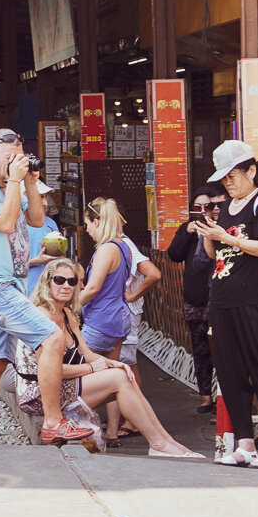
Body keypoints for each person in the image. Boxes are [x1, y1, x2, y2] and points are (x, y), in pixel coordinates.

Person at [0, 130, 93, 446]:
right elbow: (6, 223)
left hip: (10, 285)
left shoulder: (15, 184)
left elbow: (36, 219)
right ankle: (53, 422)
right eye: (9, 158)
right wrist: (14, 182)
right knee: (52, 338)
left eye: (18, 157)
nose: (14, 164)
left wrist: (31, 181)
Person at [19, 258, 200, 459]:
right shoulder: (42, 317)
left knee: (123, 373)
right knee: (117, 379)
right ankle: (158, 442)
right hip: (39, 395)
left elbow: (86, 353)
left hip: (64, 385)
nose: (66, 286)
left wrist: (114, 363)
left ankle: (166, 440)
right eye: (59, 280)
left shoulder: (67, 313)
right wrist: (94, 368)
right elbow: (51, 373)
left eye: (72, 281)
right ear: (47, 282)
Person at [198, 141, 258, 469]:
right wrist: (209, 233)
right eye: (224, 179)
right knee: (230, 371)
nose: (228, 183)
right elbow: (213, 256)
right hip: (222, 299)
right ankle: (244, 442)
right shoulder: (228, 206)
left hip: (254, 298)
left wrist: (227, 237)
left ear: (251, 170)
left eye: (233, 175)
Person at [76, 197, 159, 441]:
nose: (88, 231)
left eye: (88, 225)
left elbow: (92, 289)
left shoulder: (106, 249)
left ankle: (85, 430)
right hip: (120, 319)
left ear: (97, 221)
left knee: (79, 375)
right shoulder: (123, 246)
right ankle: (111, 432)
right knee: (112, 378)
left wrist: (70, 307)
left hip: (101, 320)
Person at [166, 184, 224, 413]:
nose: (203, 211)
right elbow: (174, 255)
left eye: (207, 206)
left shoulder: (222, 228)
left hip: (218, 298)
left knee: (222, 351)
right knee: (200, 350)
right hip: (195, 298)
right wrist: (186, 232)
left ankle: (223, 398)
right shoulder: (188, 229)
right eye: (197, 207)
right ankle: (205, 396)